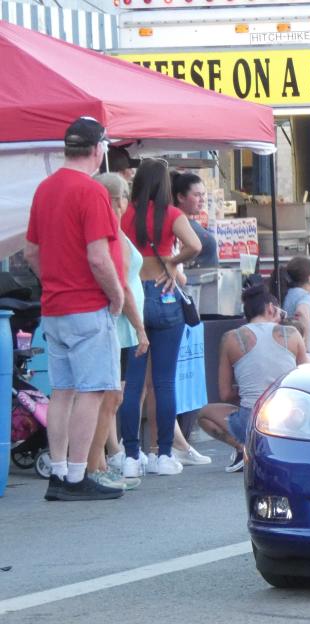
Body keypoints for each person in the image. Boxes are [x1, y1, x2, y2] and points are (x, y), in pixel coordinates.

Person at [24, 116, 126, 501]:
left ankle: (60, 470)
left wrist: (53, 278)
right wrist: (115, 295)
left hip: (54, 306)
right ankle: (78, 475)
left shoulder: (45, 189)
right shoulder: (92, 191)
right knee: (92, 390)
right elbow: (98, 257)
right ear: (98, 150)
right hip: (87, 304)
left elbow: (32, 251)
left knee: (62, 391)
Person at [118, 157, 202, 478]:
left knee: (133, 383)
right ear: (166, 185)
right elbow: (195, 245)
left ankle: (130, 455)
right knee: (165, 382)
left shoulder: (124, 215)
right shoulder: (171, 215)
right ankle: (164, 454)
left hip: (135, 297)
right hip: (166, 296)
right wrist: (172, 262)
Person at [197, 282, 310, 472]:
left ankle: (244, 448)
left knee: (204, 414)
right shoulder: (292, 333)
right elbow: (306, 378)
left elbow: (224, 394)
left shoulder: (230, 338)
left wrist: (246, 392)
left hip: (252, 420)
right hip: (292, 420)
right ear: (271, 308)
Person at [86, 173, 148, 490]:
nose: (127, 201)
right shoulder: (112, 233)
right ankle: (95, 463)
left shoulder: (114, 231)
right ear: (116, 199)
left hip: (121, 324)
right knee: (111, 397)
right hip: (121, 325)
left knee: (112, 397)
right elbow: (121, 283)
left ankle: (100, 461)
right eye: (125, 194)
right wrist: (140, 328)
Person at [172, 172, 218, 268]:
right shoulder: (178, 225)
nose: (202, 199)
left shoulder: (190, 222)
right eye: (197, 195)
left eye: (203, 194)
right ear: (180, 197)